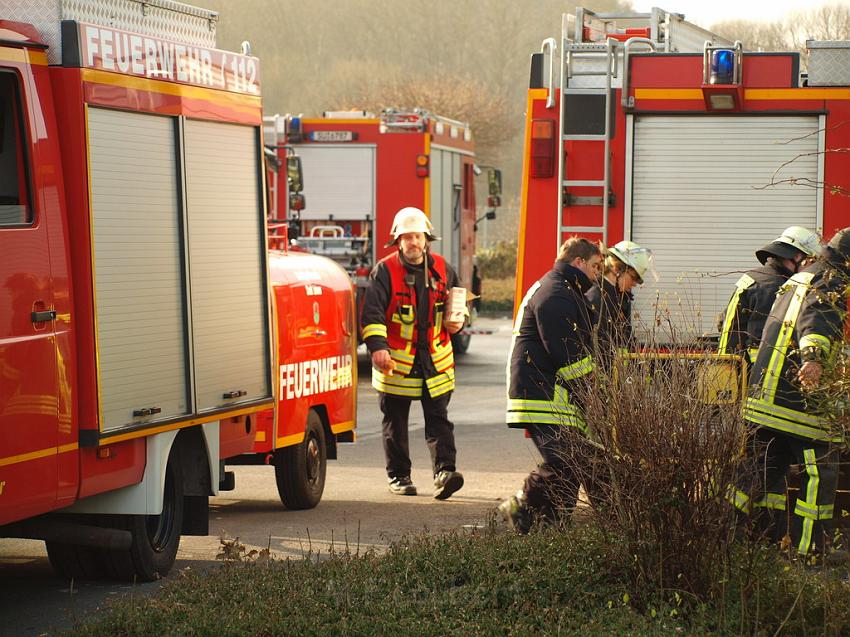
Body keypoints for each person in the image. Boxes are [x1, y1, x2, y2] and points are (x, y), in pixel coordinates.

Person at [728, 228, 850, 557]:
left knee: (760, 469)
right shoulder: (830, 280)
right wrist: (814, 360)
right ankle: (811, 548)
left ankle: (727, 537)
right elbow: (817, 321)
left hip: (765, 397)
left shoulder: (801, 277)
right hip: (798, 401)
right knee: (820, 468)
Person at [360, 207, 466, 499]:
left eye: (417, 236)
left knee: (439, 420)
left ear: (426, 238)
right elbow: (372, 313)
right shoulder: (384, 271)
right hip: (397, 364)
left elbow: (458, 302)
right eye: (406, 237)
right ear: (397, 241)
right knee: (396, 424)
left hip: (435, 361)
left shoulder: (444, 268)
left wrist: (459, 320)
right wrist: (379, 349)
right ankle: (399, 476)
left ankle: (445, 473)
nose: (412, 242)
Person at [500, 237, 603, 533]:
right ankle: (523, 507)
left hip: (548, 391)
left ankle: (548, 523)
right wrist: (591, 389)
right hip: (540, 392)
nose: (596, 274)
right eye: (594, 266)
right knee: (564, 461)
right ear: (578, 262)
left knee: (569, 466)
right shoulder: (556, 294)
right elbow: (567, 352)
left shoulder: (564, 290)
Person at [718, 226, 821, 367]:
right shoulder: (777, 287)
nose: (810, 268)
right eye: (810, 261)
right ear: (797, 256)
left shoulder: (756, 276)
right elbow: (768, 337)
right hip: (756, 371)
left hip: (729, 364)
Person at [585, 240, 653, 371]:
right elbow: (598, 348)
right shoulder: (598, 298)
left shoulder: (616, 298)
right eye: (633, 277)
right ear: (617, 269)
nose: (634, 284)